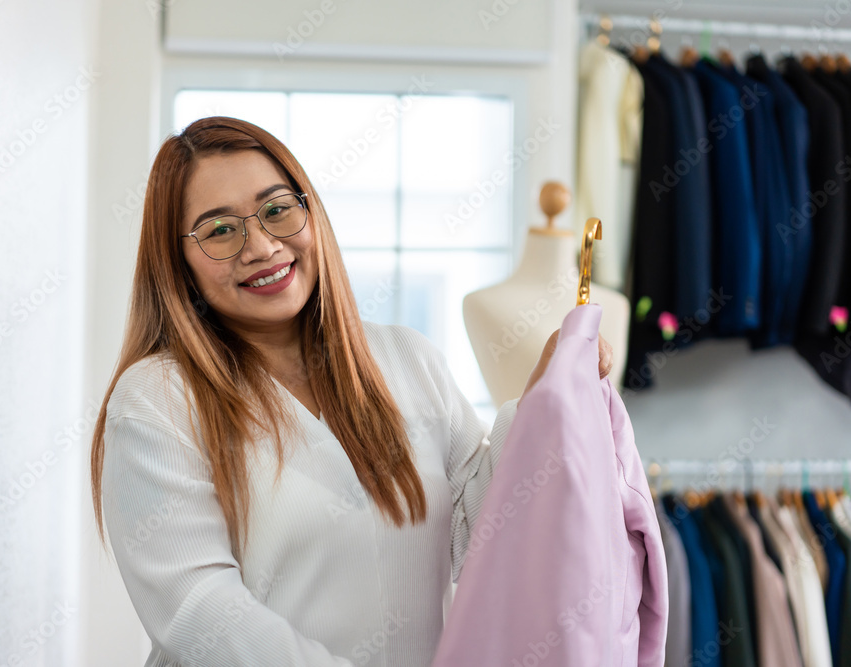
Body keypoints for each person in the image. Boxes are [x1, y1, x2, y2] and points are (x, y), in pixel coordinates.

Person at [90, 116, 614, 667]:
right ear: (177, 263)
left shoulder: (407, 360)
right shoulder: (156, 399)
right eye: (220, 230)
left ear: (310, 212)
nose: (262, 246)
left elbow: (477, 535)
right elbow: (197, 610)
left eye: (277, 209)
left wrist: (543, 399)